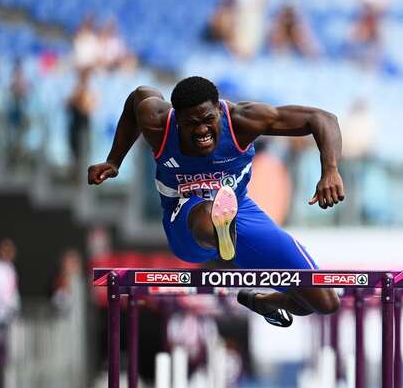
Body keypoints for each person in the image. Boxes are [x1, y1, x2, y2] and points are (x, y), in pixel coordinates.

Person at [87, 76, 344, 327]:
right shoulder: (158, 121)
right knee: (208, 213)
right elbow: (137, 96)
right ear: (177, 120)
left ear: (220, 110)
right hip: (184, 215)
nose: (201, 130)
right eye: (191, 123)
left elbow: (322, 119)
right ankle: (222, 232)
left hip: (240, 209)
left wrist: (330, 170)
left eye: (208, 119)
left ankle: (263, 299)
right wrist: (114, 160)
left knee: (324, 302)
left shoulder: (242, 120)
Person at [67, 69, 97, 181]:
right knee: (75, 149)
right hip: (76, 123)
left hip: (85, 123)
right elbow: (70, 103)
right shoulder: (75, 90)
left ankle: (82, 172)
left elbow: (90, 106)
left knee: (85, 149)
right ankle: (76, 172)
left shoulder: (92, 91)